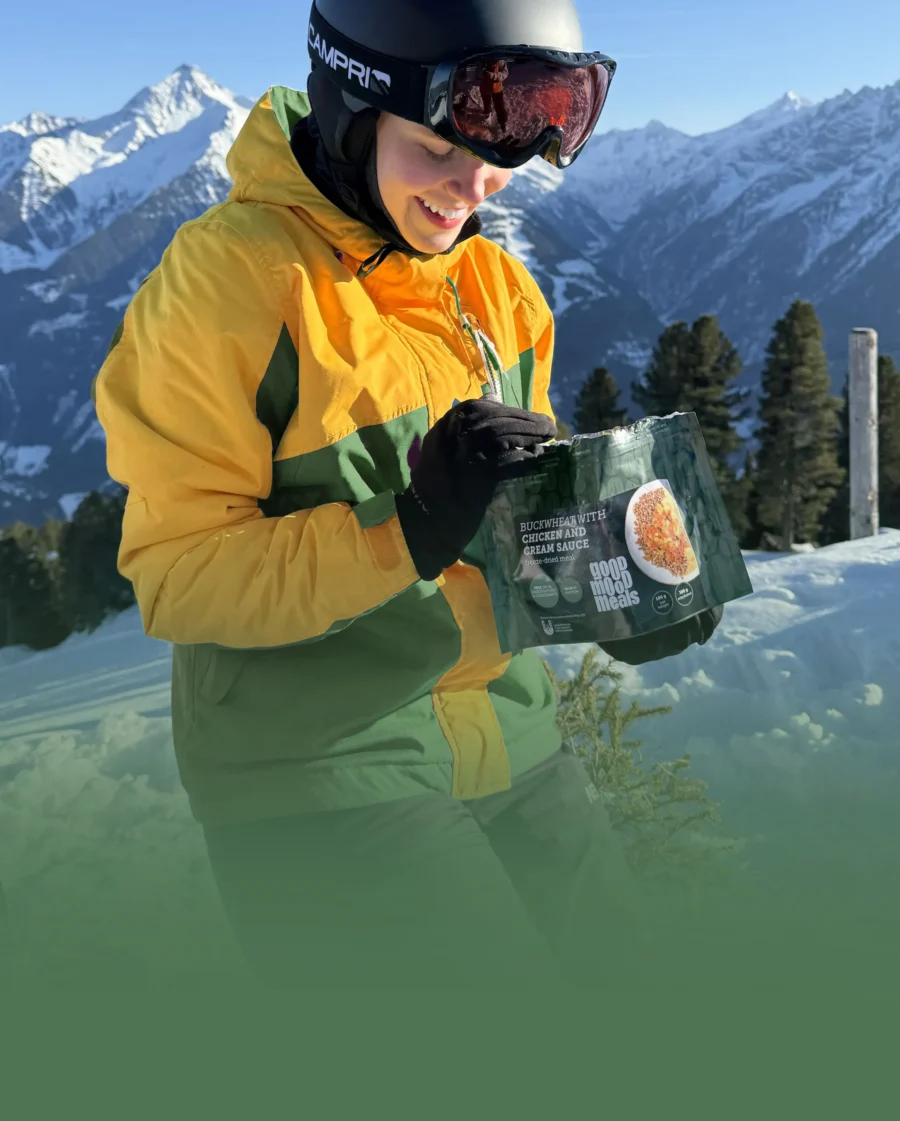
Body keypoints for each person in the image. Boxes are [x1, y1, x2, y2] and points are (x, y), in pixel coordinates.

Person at [93, 0, 721, 991]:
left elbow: (512, 518)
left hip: (507, 732)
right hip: (314, 761)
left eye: (499, 158)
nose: (475, 188)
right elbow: (180, 577)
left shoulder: (498, 291)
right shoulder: (226, 284)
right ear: (354, 109)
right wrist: (409, 528)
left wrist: (616, 588)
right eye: (437, 150)